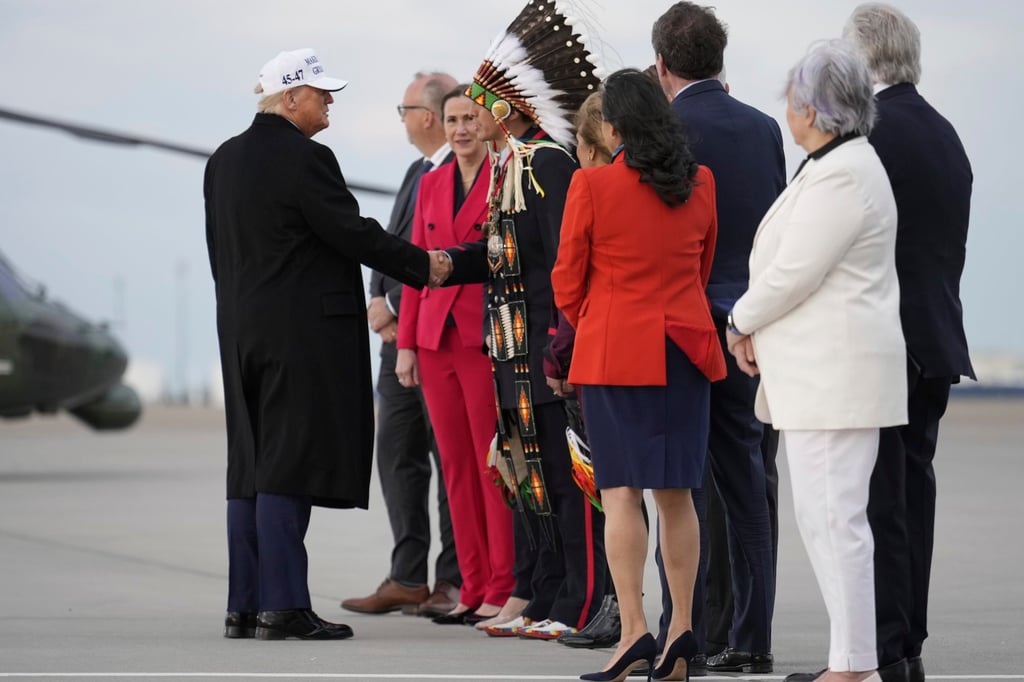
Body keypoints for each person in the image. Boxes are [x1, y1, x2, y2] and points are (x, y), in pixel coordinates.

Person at [204, 48, 451, 641]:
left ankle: (247, 605)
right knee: (286, 465)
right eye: (320, 92)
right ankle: (284, 606)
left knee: (250, 466)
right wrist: (426, 265)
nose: (330, 101)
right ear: (290, 98)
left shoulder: (222, 160)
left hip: (240, 329)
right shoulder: (308, 158)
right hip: (298, 336)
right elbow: (350, 231)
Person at [725, 39, 908, 682]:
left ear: (813, 106)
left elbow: (794, 272)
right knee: (827, 519)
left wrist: (739, 320)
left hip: (836, 379)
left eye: (794, 100)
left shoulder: (843, 173)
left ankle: (853, 666)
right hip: (822, 378)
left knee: (836, 520)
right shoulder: (833, 165)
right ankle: (849, 659)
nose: (788, 111)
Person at [440, 0, 608, 642]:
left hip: (542, 351)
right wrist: (440, 265)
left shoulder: (547, 166)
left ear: (504, 110)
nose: (469, 114)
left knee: (567, 486)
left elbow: (568, 264)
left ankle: (576, 600)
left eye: (478, 104)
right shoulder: (513, 167)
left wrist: (563, 350)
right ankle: (542, 593)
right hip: (511, 354)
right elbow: (501, 257)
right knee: (529, 480)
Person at [553, 68, 726, 682]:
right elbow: (702, 269)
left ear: (613, 125)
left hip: (613, 351)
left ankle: (633, 632)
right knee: (678, 494)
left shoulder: (592, 186)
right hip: (684, 349)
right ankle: (682, 633)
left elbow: (566, 283)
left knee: (620, 493)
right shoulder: (699, 183)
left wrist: (599, 318)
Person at [843, 6, 975, 682]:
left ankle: (887, 651)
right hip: (935, 340)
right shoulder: (946, 134)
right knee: (910, 497)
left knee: (880, 503)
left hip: (884, 345)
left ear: (864, 63)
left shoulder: (872, 138)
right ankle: (907, 645)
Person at [651, 2, 784, 674]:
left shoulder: (663, 130)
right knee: (752, 488)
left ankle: (687, 634)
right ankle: (754, 638)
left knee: (681, 491)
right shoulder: (764, 130)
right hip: (756, 328)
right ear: (719, 59)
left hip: (685, 329)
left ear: (661, 66)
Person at [341, 71, 462, 620]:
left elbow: (447, 252)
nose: (402, 117)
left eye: (405, 108)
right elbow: (392, 244)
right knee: (396, 454)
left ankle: (453, 579)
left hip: (435, 335)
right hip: (398, 340)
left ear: (428, 116)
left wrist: (392, 308)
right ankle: (409, 575)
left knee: (450, 458)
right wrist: (378, 303)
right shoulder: (417, 170)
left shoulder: (461, 172)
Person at [395, 86, 515, 625]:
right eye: (452, 119)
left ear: (486, 123)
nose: (461, 129)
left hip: (481, 338)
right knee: (455, 467)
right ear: (439, 125)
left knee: (492, 464)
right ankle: (471, 582)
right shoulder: (431, 183)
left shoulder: (505, 175)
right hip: (432, 337)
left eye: (470, 118)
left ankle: (503, 582)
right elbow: (418, 265)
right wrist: (405, 344)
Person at [550, 90, 620, 652]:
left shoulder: (590, 186)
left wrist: (560, 353)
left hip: (592, 354)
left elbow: (571, 283)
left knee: (602, 491)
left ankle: (614, 607)